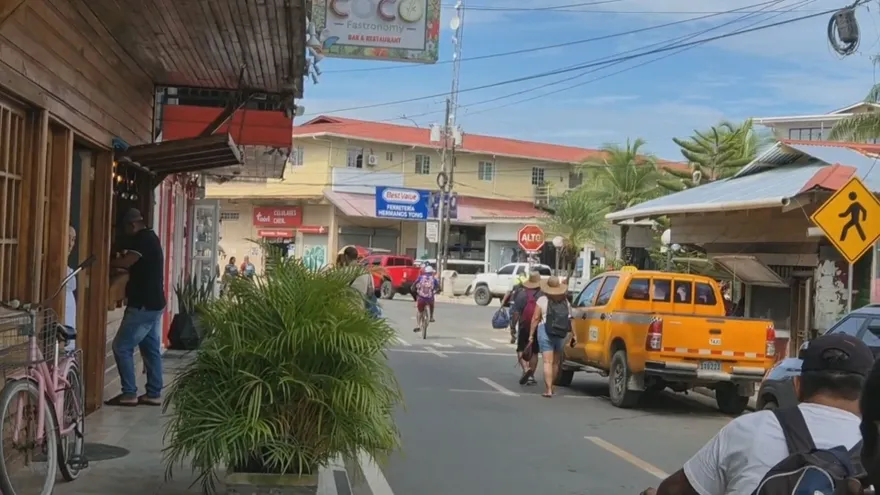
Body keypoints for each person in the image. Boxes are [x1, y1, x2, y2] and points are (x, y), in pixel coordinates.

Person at [642, 332, 873, 495]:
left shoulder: (748, 429)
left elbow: (673, 490)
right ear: (869, 394)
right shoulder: (874, 454)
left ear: (797, 386)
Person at [106, 208, 166, 407]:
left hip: (142, 305)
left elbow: (127, 262)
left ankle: (129, 393)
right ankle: (154, 393)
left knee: (121, 346)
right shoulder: (151, 237)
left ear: (132, 225)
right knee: (150, 349)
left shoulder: (143, 239)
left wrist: (108, 262)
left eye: (125, 229)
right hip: (155, 304)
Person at [529, 276, 573, 398]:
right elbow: (570, 319)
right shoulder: (565, 301)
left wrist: (531, 335)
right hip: (561, 333)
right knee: (555, 362)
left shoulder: (542, 300)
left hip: (545, 331)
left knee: (547, 362)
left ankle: (548, 389)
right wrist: (573, 334)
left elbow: (536, 318)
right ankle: (552, 386)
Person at [513, 271, 541, 385]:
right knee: (534, 351)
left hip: (524, 324)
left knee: (520, 348)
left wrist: (512, 327)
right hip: (538, 325)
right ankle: (531, 376)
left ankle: (525, 369)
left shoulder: (522, 294)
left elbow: (516, 312)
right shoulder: (543, 295)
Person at [502, 272, 528, 343]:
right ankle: (520, 337)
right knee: (522, 322)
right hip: (524, 303)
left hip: (513, 303)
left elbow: (508, 292)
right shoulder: (527, 281)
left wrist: (503, 301)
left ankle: (513, 335)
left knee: (512, 321)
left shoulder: (514, 280)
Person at [412, 266, 439, 332]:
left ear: (425, 272)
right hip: (430, 298)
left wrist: (414, 289)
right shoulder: (433, 279)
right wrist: (436, 291)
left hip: (421, 298)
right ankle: (431, 317)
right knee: (432, 305)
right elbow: (438, 287)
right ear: (432, 272)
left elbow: (414, 284)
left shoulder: (420, 277)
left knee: (419, 311)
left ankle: (418, 325)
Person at [64, 226, 78, 353]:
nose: (70, 244)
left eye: (73, 239)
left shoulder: (66, 265)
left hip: (69, 313)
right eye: (67, 238)